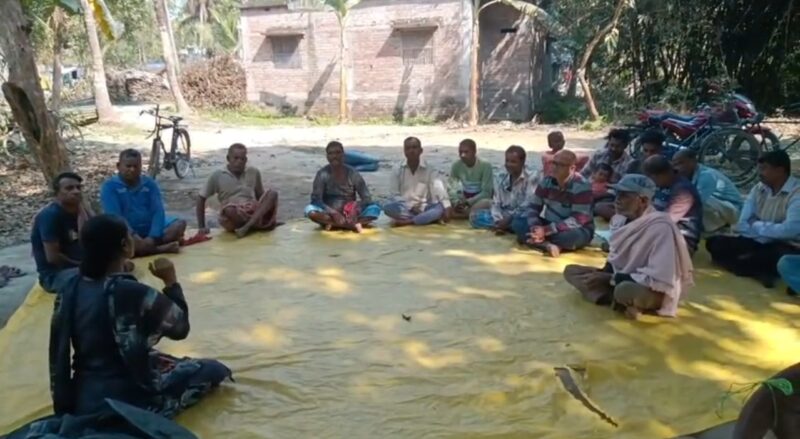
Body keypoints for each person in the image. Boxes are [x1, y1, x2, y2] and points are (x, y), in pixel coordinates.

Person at [49, 215, 231, 418]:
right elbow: (180, 328)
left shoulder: (71, 288)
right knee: (213, 369)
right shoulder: (129, 291)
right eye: (130, 236)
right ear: (125, 245)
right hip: (129, 400)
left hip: (85, 395)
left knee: (157, 357)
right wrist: (171, 282)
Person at [563, 174, 693, 320]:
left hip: (649, 287)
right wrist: (603, 274)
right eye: (617, 194)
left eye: (624, 196)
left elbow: (659, 278)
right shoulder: (619, 220)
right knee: (571, 271)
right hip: (619, 278)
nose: (617, 200)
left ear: (643, 201)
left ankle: (619, 298)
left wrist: (609, 278)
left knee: (624, 290)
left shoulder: (661, 227)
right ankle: (620, 302)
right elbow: (614, 259)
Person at [706, 150, 800, 288]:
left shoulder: (796, 193)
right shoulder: (759, 188)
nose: (759, 173)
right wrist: (768, 229)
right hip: (757, 239)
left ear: (780, 171)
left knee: (777, 257)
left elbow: (790, 231)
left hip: (786, 245)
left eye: (764, 169)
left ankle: (750, 266)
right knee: (714, 243)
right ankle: (757, 269)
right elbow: (742, 223)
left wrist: (757, 225)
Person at [100, 149, 187, 256]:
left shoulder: (149, 184)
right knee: (114, 238)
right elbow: (116, 218)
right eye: (128, 166)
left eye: (136, 166)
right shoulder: (109, 187)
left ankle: (144, 248)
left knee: (179, 224)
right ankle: (158, 249)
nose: (132, 170)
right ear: (118, 166)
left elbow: (158, 211)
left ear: (141, 167)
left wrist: (153, 236)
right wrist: (133, 236)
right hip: (126, 231)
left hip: (148, 229)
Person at [512, 150, 594, 257]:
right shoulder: (547, 181)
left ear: (572, 168)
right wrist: (535, 227)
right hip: (550, 225)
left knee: (571, 237)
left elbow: (577, 220)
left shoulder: (582, 186)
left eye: (560, 165)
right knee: (518, 221)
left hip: (575, 229)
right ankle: (547, 245)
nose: (555, 167)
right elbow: (533, 207)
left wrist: (545, 231)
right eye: (554, 163)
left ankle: (536, 241)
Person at [197, 143, 280, 238]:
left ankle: (247, 227)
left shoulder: (253, 172)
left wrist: (263, 209)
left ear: (246, 160)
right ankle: (258, 225)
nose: (239, 162)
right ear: (228, 158)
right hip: (233, 216)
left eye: (242, 159)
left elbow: (260, 196)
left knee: (272, 193)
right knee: (228, 209)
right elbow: (201, 198)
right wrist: (201, 226)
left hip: (251, 211)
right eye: (235, 158)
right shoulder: (217, 175)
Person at [31, 172, 90, 293]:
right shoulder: (49, 216)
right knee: (99, 278)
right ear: (57, 193)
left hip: (79, 267)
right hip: (55, 275)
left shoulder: (81, 211)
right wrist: (85, 265)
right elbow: (53, 258)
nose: (76, 191)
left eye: (78, 187)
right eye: (69, 188)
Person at [305, 141, 381, 232]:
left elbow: (367, 198)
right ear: (327, 156)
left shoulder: (353, 173)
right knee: (310, 210)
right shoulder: (322, 174)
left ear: (343, 155)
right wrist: (333, 212)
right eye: (331, 153)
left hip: (350, 213)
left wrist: (355, 208)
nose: (334, 156)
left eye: (338, 152)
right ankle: (351, 225)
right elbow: (316, 200)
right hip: (329, 214)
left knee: (375, 208)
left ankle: (336, 224)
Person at [642, 155, 703, 255]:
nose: (652, 183)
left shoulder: (683, 191)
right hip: (661, 233)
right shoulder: (664, 185)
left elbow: (665, 221)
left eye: (652, 179)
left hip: (681, 240)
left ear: (660, 175)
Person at [384, 137, 451, 227]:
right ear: (404, 151)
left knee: (439, 208)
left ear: (421, 150)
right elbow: (394, 194)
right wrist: (410, 207)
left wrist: (447, 206)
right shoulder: (397, 169)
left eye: (414, 147)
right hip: (405, 208)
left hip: (424, 208)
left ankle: (410, 221)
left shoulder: (430, 170)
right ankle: (423, 219)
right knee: (388, 207)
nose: (411, 151)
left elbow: (439, 190)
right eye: (408, 148)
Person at [672, 149, 743, 233]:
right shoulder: (687, 176)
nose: (677, 168)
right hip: (721, 209)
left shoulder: (707, 175)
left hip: (734, 212)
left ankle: (714, 229)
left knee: (699, 202)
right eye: (675, 165)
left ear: (693, 161)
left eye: (680, 163)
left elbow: (696, 202)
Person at [470, 145, 537, 233]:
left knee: (521, 223)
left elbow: (528, 204)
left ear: (522, 162)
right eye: (507, 161)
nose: (508, 164)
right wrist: (498, 220)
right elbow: (496, 202)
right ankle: (502, 227)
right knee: (475, 217)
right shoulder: (501, 176)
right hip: (504, 213)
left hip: (520, 215)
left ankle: (507, 227)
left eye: (513, 162)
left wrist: (509, 218)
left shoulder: (531, 177)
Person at [582, 128, 637, 220]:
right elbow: (584, 173)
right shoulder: (598, 155)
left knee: (599, 207)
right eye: (611, 145)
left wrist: (600, 194)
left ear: (625, 146)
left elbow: (623, 190)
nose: (613, 149)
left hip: (610, 197)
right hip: (589, 190)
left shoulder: (629, 163)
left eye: (618, 146)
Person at [447, 138, 494, 219]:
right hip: (465, 198)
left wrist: (468, 202)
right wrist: (456, 202)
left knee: (488, 203)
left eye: (466, 152)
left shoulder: (485, 165)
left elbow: (487, 192)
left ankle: (466, 214)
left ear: (474, 152)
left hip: (480, 200)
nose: (463, 155)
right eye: (460, 152)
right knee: (444, 202)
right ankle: (465, 213)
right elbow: (452, 187)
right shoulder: (456, 165)